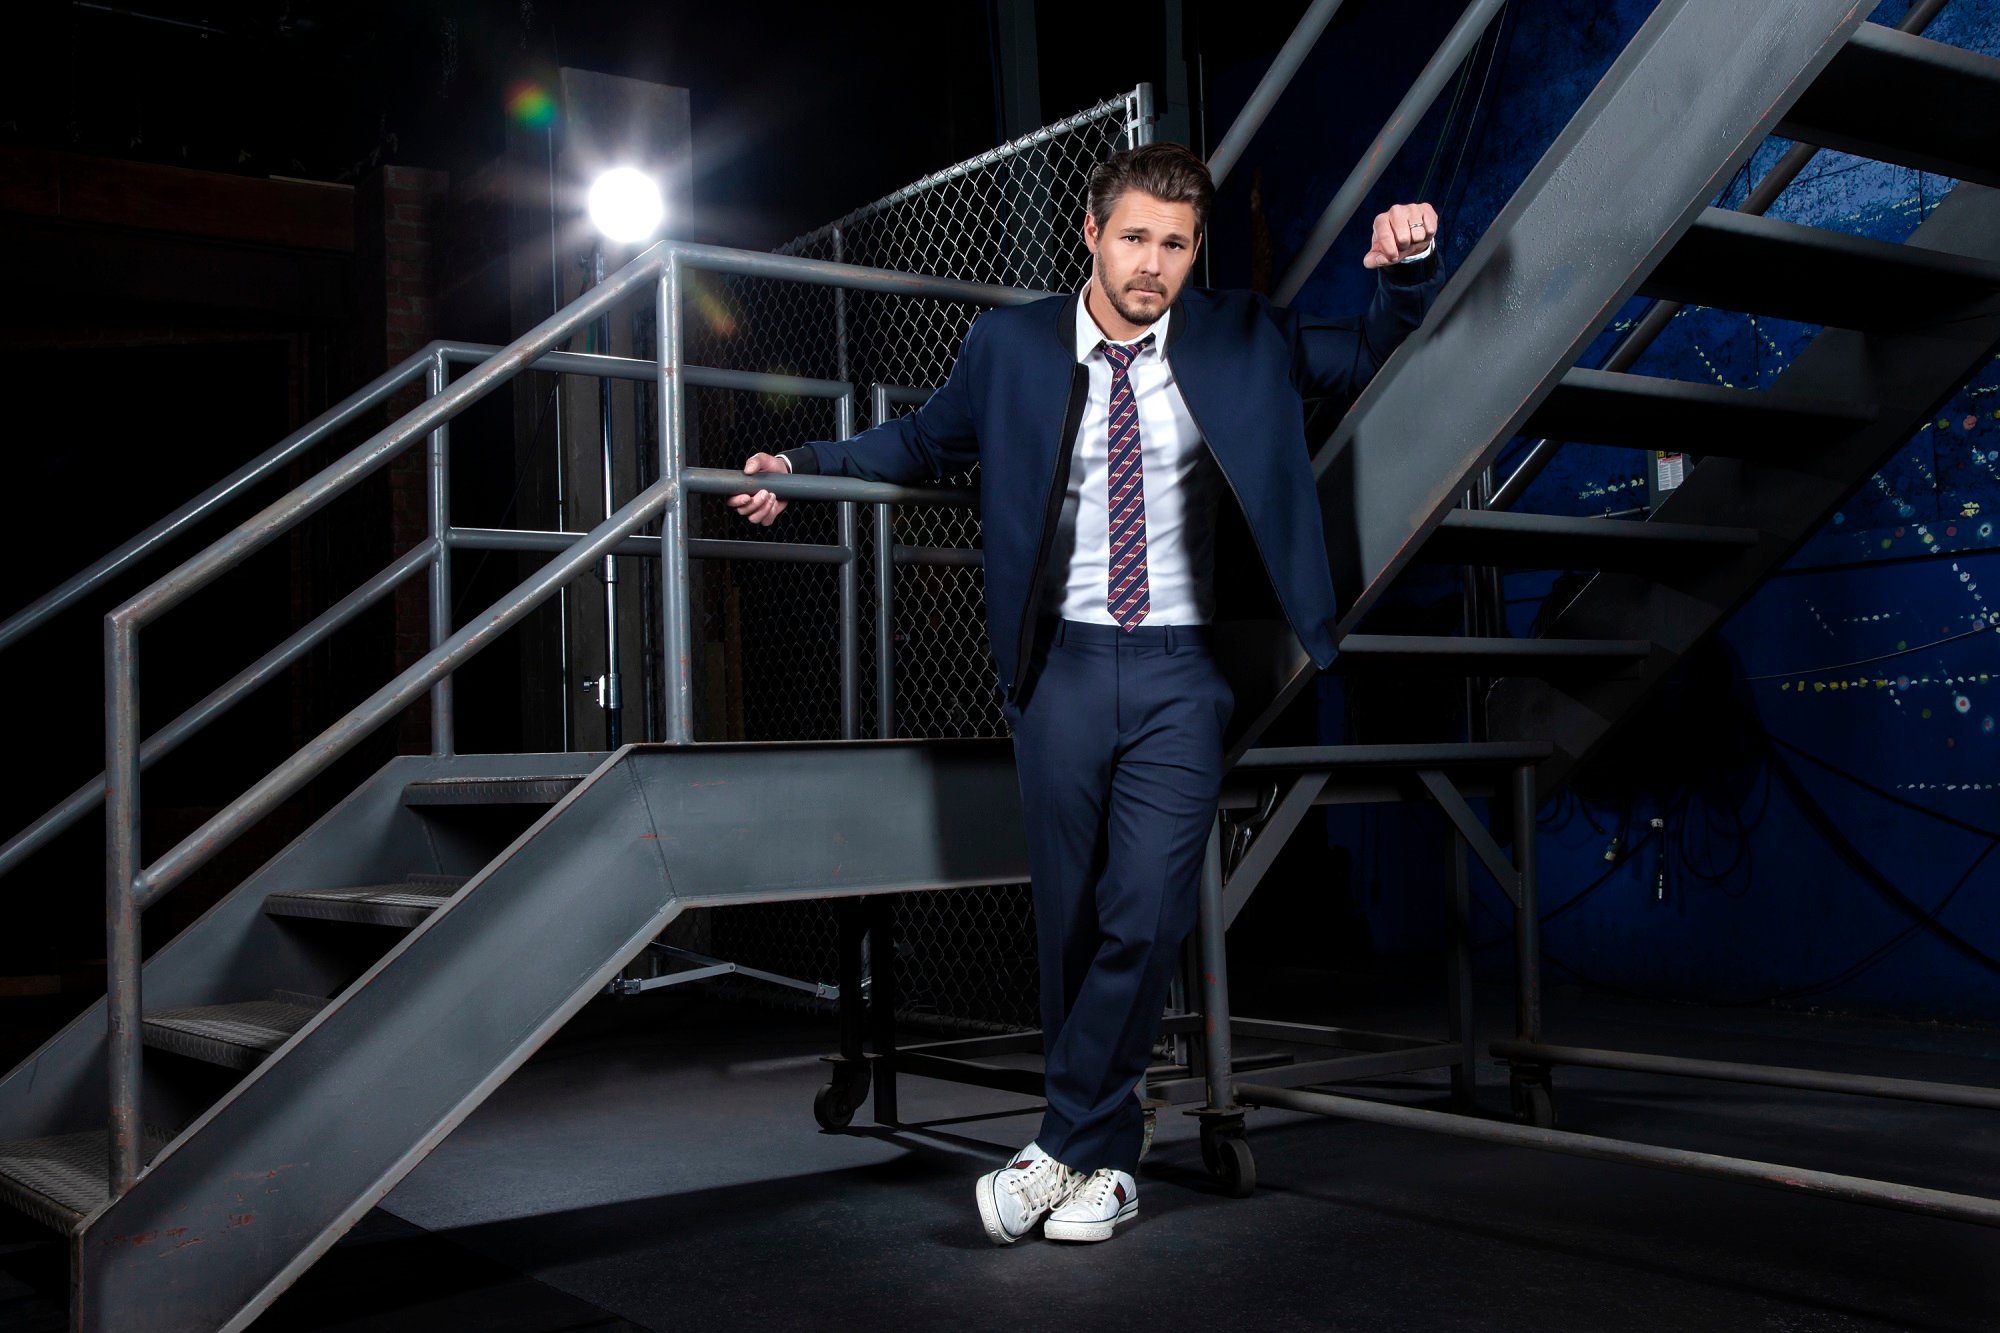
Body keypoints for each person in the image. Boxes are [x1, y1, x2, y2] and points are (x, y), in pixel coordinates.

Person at [730, 142, 1442, 1244]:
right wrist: (804, 466)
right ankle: (1107, 1165)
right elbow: (921, 443)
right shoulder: (1010, 347)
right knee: (1069, 923)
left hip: (1180, 672)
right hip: (1058, 667)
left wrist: (1405, 269)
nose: (1154, 264)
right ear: (1091, 235)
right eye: (1135, 238)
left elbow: (1372, 350)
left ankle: (1057, 1142)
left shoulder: (1241, 335)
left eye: (1176, 244)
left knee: (1145, 910)